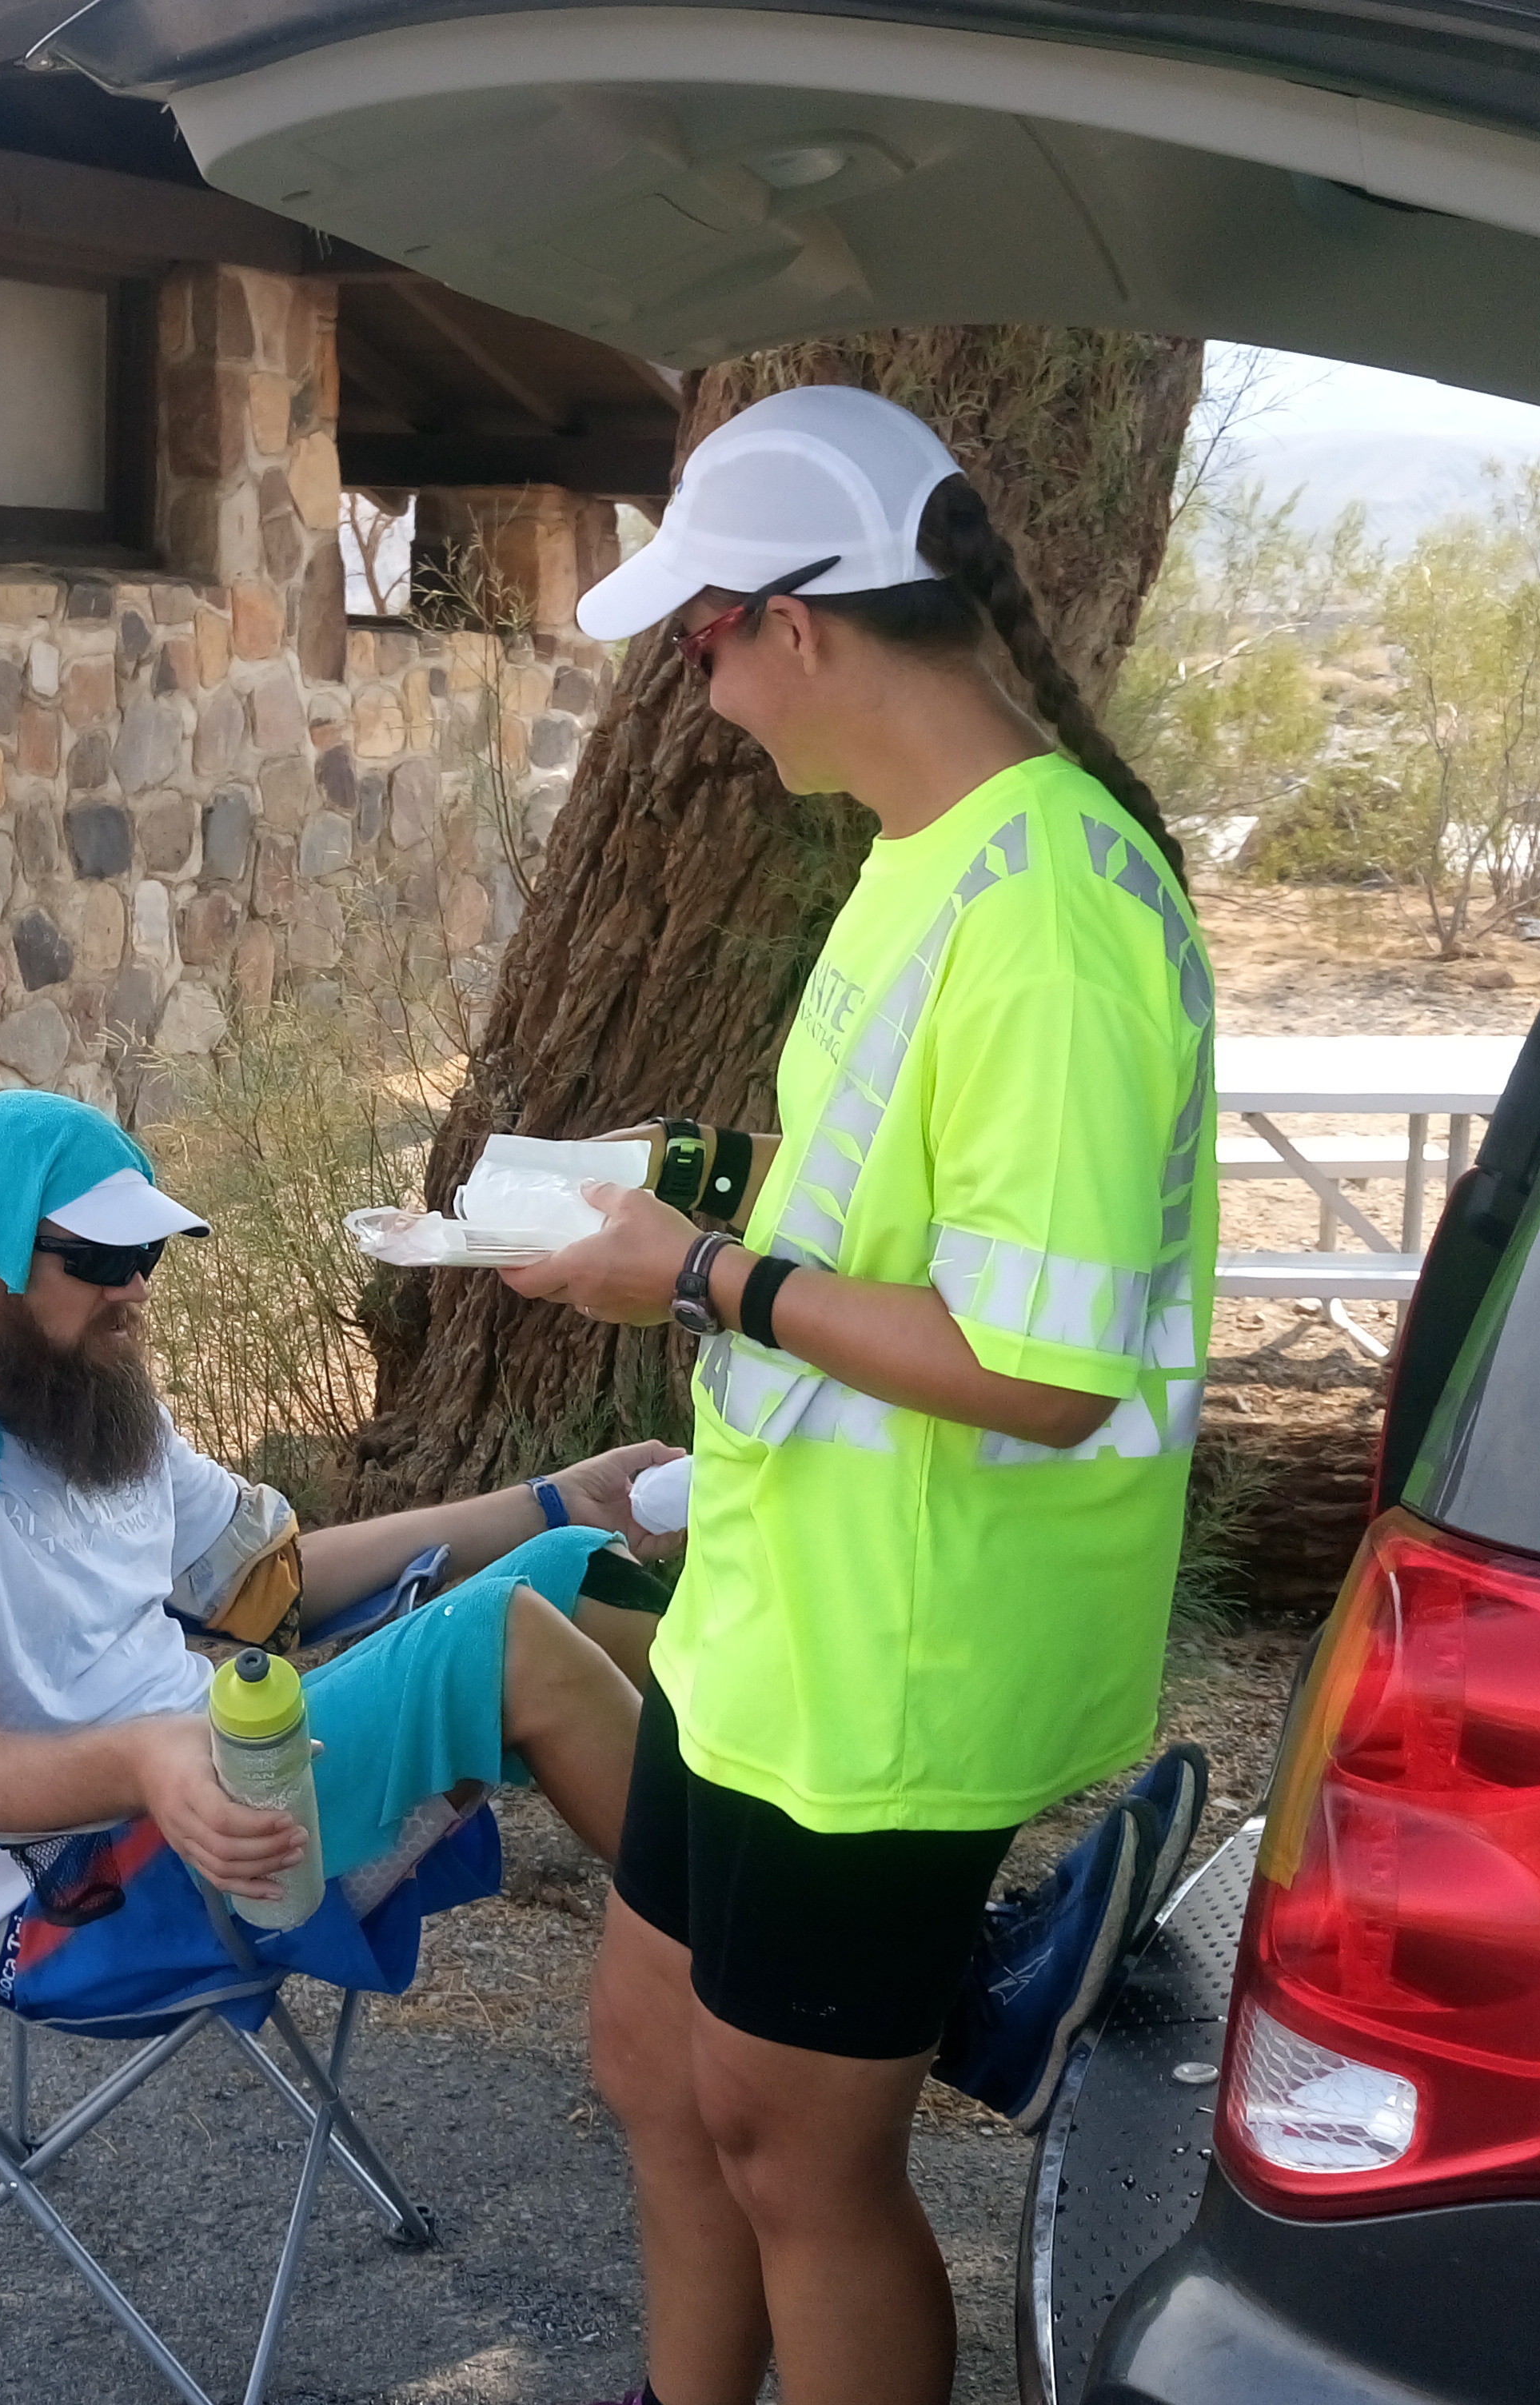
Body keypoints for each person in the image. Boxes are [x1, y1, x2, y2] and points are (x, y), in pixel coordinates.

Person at [505, 387, 1219, 2405]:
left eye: (697, 645)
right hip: (785, 1603)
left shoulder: (1052, 914)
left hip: (913, 1644)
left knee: (792, 2141)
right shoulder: (926, 853)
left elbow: (1043, 1369)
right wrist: (693, 1181)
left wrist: (703, 1271)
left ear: (794, 621)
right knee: (656, 2060)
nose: (702, 695)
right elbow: (892, 1200)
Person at [0, 1089, 664, 1991]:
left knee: (567, 1565)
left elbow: (267, 1587)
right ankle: (757, 1975)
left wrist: (554, 1499)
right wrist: (145, 1758)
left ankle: (784, 1845)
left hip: (210, 1783)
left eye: (145, 1253)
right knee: (508, 1640)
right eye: (97, 1256)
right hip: (62, 1889)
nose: (131, 1286)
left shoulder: (81, 1399)